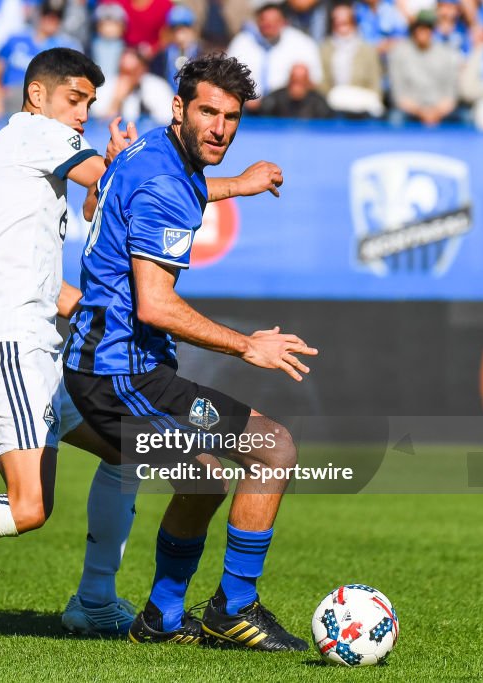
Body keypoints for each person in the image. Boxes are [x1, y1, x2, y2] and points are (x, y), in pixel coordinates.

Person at [0, 46, 284, 638]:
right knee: (30, 507)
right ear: (37, 97)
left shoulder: (24, 166)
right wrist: (227, 186)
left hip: (45, 341)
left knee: (136, 458)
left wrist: (209, 181)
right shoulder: (34, 135)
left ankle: (100, 602)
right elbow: (133, 185)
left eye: (89, 102)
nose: (83, 113)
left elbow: (117, 203)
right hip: (15, 343)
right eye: (75, 100)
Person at [63, 53, 317, 650]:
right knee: (272, 446)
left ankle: (160, 619)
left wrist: (237, 186)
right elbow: (155, 305)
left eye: (231, 117)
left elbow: (167, 190)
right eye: (208, 111)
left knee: (203, 479)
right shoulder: (165, 183)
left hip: (120, 367)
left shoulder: (156, 149)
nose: (220, 128)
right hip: (121, 375)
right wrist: (245, 345)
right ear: (180, 107)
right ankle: (234, 608)